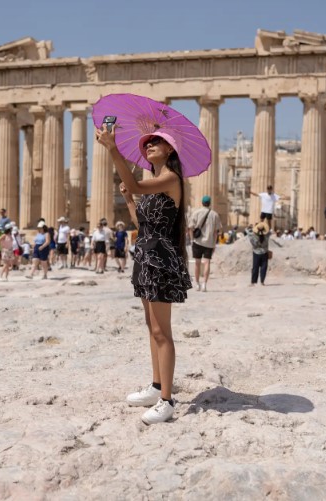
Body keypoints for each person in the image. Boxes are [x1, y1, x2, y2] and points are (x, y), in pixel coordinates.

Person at [97, 124, 192, 425]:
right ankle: (155, 387)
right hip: (145, 255)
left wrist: (113, 148)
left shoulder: (171, 178)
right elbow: (142, 218)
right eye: (147, 143)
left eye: (156, 142)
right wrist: (127, 198)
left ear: (170, 150)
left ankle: (167, 400)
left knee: (163, 331)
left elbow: (139, 188)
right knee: (151, 327)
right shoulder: (153, 181)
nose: (149, 145)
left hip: (162, 258)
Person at [189, 195, 222, 292]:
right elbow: (216, 232)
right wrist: (214, 244)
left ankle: (197, 284)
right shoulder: (215, 214)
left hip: (197, 242)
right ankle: (204, 284)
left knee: (197, 263)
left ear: (202, 203)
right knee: (207, 263)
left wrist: (191, 240)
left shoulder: (196, 212)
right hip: (209, 242)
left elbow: (190, 228)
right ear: (210, 203)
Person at [248, 221, 271, 286]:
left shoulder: (253, 236)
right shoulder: (267, 236)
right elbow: (269, 231)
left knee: (255, 267)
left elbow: (249, 234)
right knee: (264, 267)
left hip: (256, 252)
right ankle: (262, 282)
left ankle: (253, 282)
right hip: (264, 252)